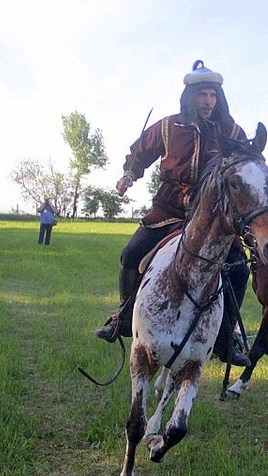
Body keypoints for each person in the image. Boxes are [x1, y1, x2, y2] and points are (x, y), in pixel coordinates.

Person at [93, 60, 250, 366]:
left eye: (213, 96)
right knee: (130, 254)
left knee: (239, 269)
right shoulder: (168, 126)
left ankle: (224, 339)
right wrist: (129, 174)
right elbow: (141, 151)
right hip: (169, 208)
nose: (207, 101)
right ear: (190, 97)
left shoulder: (230, 130)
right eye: (202, 95)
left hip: (212, 216)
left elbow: (247, 163)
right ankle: (124, 319)